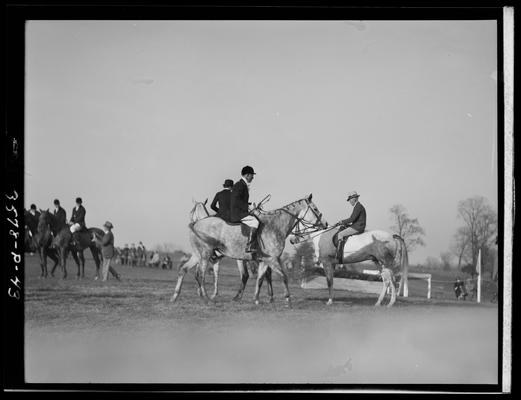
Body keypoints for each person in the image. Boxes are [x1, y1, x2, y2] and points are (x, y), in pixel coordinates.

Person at [230, 166, 259, 253]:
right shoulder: (240, 185)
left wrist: (250, 204)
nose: (253, 177)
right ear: (247, 175)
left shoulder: (242, 184)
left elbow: (240, 200)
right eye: (252, 175)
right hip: (237, 213)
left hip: (240, 211)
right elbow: (236, 201)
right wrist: (248, 207)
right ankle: (249, 246)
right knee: (255, 222)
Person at [334, 191, 366, 260]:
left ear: (355, 198)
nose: (350, 202)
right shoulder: (358, 206)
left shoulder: (358, 206)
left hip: (358, 227)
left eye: (350, 199)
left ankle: (339, 255)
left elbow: (352, 219)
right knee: (342, 228)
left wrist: (342, 221)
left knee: (340, 234)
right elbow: (354, 219)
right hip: (357, 225)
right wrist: (345, 223)